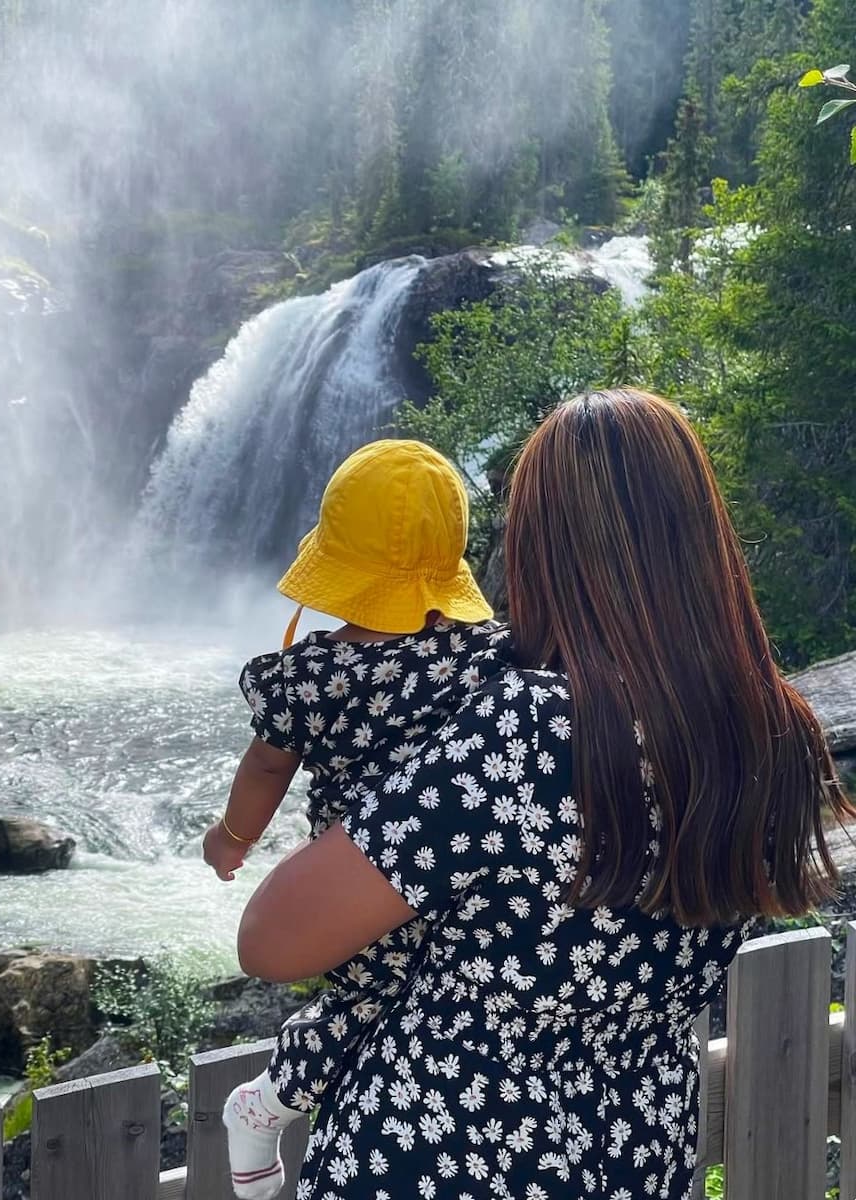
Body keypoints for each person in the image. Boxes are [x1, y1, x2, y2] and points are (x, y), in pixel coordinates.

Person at [234, 390, 852, 1200]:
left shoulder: (530, 729)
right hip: (635, 1148)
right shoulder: (775, 730)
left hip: (439, 1152)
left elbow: (271, 942)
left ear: (538, 547)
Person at [203, 439, 503, 1199]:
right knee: (412, 998)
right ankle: (265, 1103)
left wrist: (232, 838)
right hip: (458, 869)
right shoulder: (490, 657)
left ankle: (262, 1105)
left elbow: (268, 767)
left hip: (361, 873)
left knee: (368, 1000)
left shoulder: (309, 677)